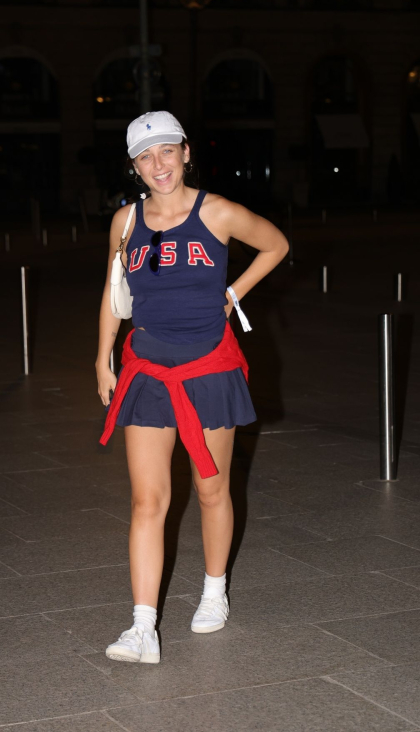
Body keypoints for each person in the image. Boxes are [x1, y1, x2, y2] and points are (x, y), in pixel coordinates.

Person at [96, 111, 288, 664]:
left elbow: (275, 245)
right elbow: (113, 292)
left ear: (185, 153)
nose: (157, 165)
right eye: (144, 156)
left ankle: (213, 590)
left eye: (166, 152)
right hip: (147, 370)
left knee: (210, 490)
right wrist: (102, 356)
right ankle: (142, 627)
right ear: (134, 166)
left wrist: (233, 293)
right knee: (146, 499)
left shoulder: (219, 212)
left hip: (209, 368)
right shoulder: (125, 223)